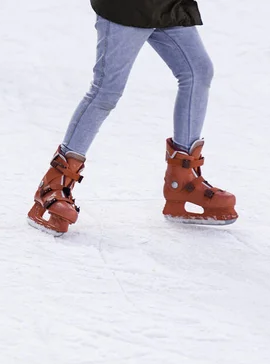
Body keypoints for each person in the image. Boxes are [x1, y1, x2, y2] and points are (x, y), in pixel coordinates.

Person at [27, 0, 238, 236]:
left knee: (198, 72)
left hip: (166, 5)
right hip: (127, 7)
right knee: (106, 90)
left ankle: (183, 181)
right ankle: (54, 183)